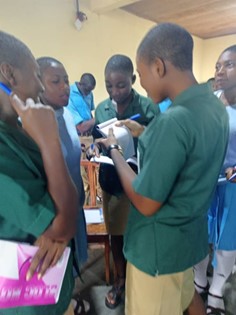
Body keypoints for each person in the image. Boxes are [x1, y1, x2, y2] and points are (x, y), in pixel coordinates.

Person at [96, 23, 229, 315]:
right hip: (188, 238)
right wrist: (144, 134)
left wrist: (115, 152)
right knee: (187, 298)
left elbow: (145, 202)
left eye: (141, 76)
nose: (142, 84)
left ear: (159, 67)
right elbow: (190, 151)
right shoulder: (213, 106)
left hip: (157, 251)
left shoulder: (171, 121)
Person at [0, 31, 78, 315]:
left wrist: (57, 227)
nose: (41, 89)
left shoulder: (18, 131)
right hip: (23, 298)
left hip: (49, 285)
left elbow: (62, 207)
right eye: (36, 75)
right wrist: (49, 142)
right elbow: (61, 225)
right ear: (8, 74)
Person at [92, 54, 156, 309]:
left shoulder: (147, 106)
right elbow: (98, 140)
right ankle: (120, 280)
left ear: (133, 80)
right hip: (111, 180)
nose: (114, 91)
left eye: (121, 85)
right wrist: (95, 150)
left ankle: (139, 282)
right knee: (116, 236)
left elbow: (161, 140)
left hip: (140, 181)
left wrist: (141, 132)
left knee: (140, 236)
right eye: (109, 85)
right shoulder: (101, 108)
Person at [36, 56, 90, 314]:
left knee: (73, 262)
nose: (65, 86)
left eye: (67, 80)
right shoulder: (35, 122)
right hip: (54, 215)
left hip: (73, 205)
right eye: (55, 81)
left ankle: (70, 298)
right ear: (38, 84)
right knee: (54, 270)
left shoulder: (66, 113)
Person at [194, 45, 236, 315]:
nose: (220, 70)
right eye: (218, 66)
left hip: (232, 185)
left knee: (227, 240)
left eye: (228, 65)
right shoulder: (208, 102)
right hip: (203, 182)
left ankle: (217, 292)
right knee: (199, 233)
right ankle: (199, 282)